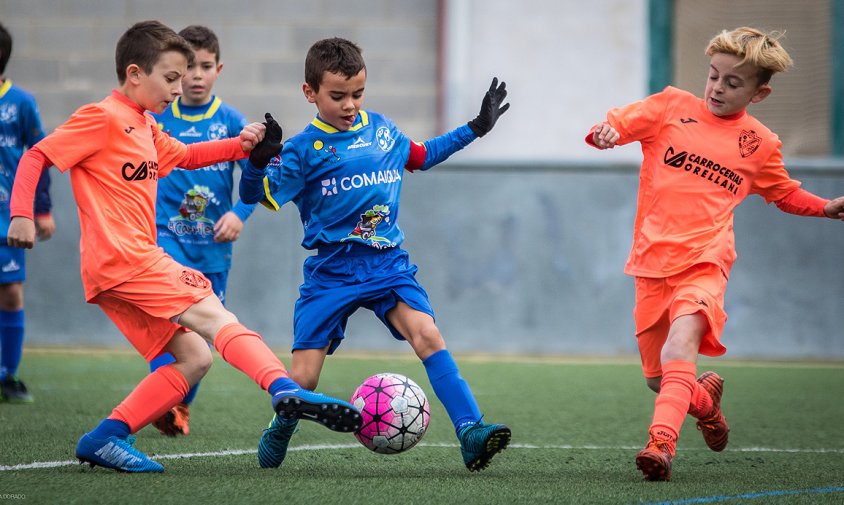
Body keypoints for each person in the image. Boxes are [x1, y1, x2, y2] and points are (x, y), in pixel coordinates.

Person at [7, 20, 360, 473]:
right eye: (171, 77)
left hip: (112, 271)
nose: (179, 86)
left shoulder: (146, 126)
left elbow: (189, 155)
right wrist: (21, 213)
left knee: (194, 358)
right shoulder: (102, 117)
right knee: (215, 314)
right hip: (128, 260)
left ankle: (104, 438)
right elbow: (37, 154)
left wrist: (244, 145)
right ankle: (284, 389)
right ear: (135, 74)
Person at [240, 37, 512, 472]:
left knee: (428, 335)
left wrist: (475, 128)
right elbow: (260, 197)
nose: (350, 105)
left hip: (387, 264)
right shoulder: (302, 150)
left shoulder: (382, 128)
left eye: (358, 94)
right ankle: (280, 427)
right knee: (303, 379)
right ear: (309, 92)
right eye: (337, 96)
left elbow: (422, 155)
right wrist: (255, 164)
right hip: (332, 272)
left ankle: (470, 431)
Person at [586, 26, 844, 481]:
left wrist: (824, 207)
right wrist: (604, 133)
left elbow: (783, 193)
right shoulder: (669, 106)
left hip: (707, 259)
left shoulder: (759, 143)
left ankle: (660, 446)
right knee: (658, 378)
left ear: (759, 94)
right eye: (713, 76)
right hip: (651, 261)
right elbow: (616, 125)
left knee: (679, 345)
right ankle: (705, 405)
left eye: (733, 82)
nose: (718, 88)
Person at [147, 25, 256, 437]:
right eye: (187, 66)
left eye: (204, 66)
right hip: (165, 237)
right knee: (171, 327)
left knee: (202, 338)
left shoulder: (230, 120)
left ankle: (177, 406)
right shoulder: (159, 114)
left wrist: (240, 213)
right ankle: (166, 403)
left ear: (218, 69)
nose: (195, 75)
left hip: (212, 246)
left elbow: (255, 176)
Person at [0, 22, 55, 403]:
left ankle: (8, 374)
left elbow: (43, 156)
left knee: (11, 295)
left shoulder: (21, 102)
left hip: (7, 219)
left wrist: (43, 209)